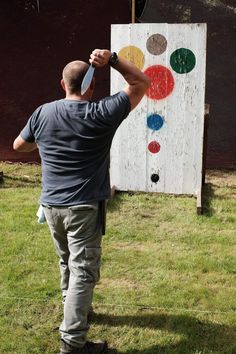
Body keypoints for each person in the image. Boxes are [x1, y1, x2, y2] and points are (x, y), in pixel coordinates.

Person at [13, 49, 150, 354]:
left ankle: (76, 311)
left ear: (63, 84)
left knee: (67, 262)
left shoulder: (42, 113)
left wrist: (47, 140)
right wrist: (112, 60)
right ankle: (73, 342)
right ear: (90, 87)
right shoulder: (101, 112)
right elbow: (141, 82)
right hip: (83, 208)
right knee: (83, 270)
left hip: (50, 206)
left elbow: (18, 146)